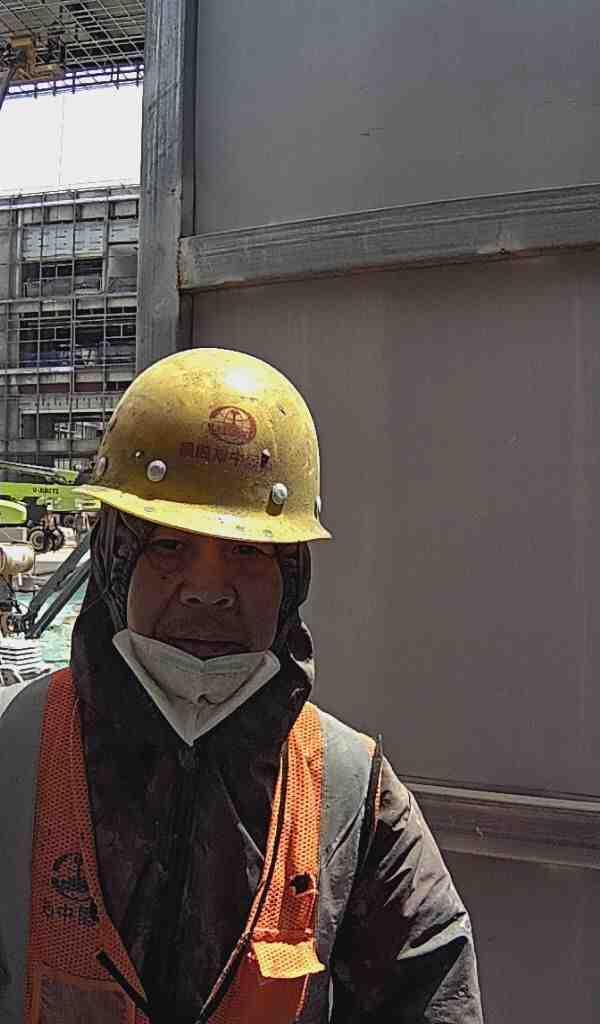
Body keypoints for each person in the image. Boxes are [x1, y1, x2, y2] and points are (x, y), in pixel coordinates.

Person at [0, 349, 483, 1024]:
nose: (208, 590)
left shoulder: (351, 792)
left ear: (292, 577)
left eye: (249, 553)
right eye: (168, 546)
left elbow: (430, 992)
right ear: (114, 559)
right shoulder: (14, 752)